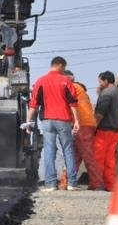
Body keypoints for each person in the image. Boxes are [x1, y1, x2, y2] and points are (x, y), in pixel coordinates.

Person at [26, 56, 80, 191]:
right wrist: (77, 121)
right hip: (63, 120)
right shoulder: (66, 80)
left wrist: (28, 122)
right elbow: (73, 103)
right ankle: (72, 183)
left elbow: (33, 105)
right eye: (64, 68)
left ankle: (50, 184)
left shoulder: (41, 81)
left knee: (49, 150)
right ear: (60, 65)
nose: (64, 71)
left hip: (47, 121)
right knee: (67, 149)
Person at [66, 71, 104, 190]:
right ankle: (66, 182)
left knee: (88, 156)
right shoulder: (81, 90)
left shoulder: (72, 88)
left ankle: (97, 183)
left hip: (82, 125)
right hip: (85, 125)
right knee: (75, 156)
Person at [93, 70, 118, 191]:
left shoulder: (106, 93)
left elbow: (100, 113)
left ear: (106, 80)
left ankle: (97, 184)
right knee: (110, 160)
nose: (99, 84)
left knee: (98, 158)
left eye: (100, 81)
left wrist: (94, 126)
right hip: (114, 130)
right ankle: (110, 185)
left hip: (103, 131)